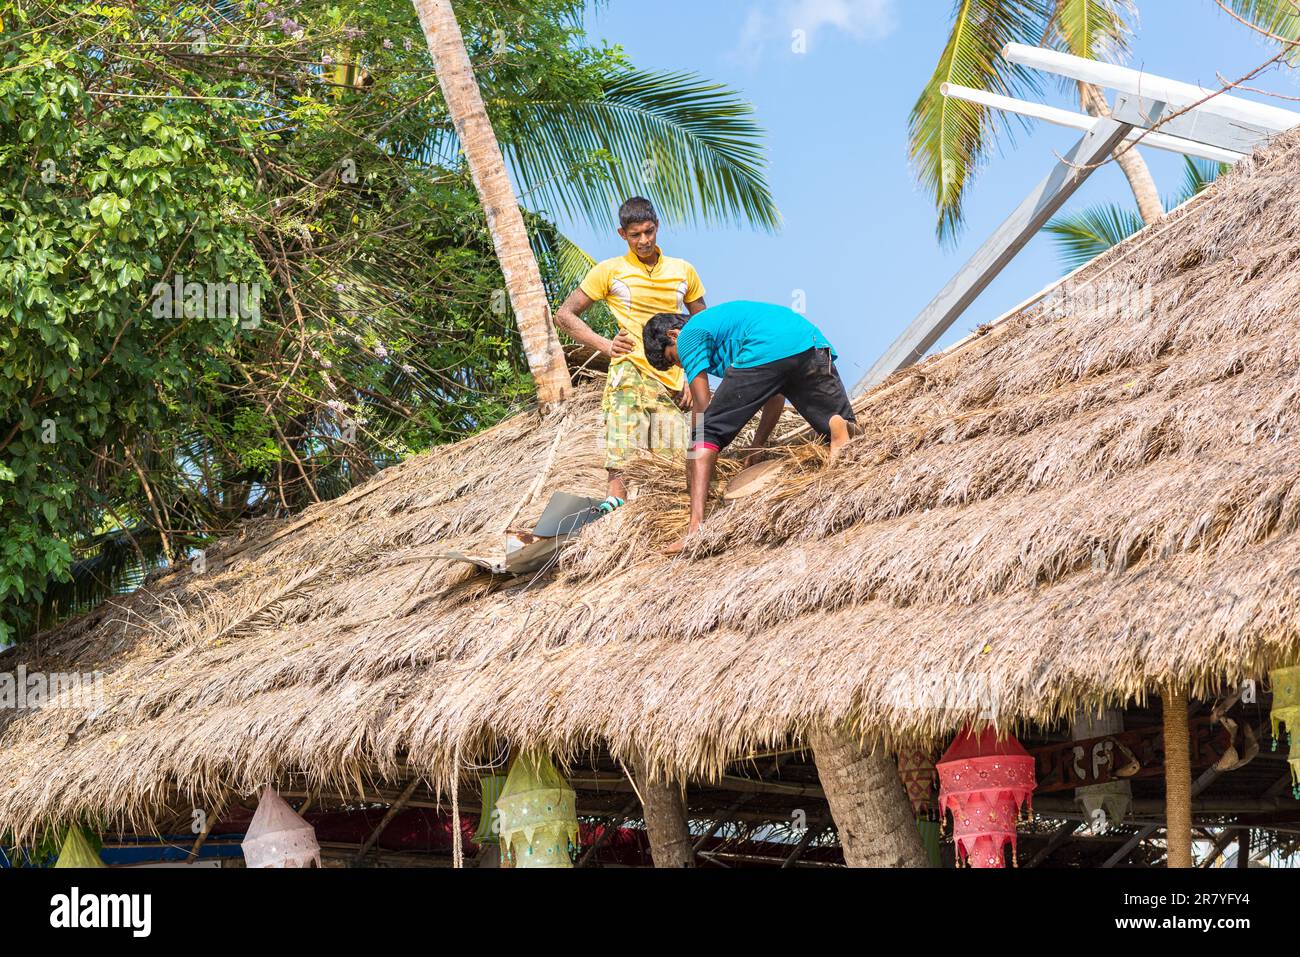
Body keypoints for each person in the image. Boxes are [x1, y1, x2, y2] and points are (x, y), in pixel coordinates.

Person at [642, 301, 856, 554]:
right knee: (846, 428)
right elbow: (774, 394)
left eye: (673, 359)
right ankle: (834, 424)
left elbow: (702, 401)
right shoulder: (726, 332)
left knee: (705, 434)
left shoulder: (689, 333)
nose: (681, 366)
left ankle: (695, 529)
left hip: (766, 347)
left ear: (672, 335)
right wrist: (758, 445)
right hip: (809, 344)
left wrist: (693, 450)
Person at [555, 197, 707, 500]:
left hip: (672, 382)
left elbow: (702, 326)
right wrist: (605, 345)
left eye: (649, 232)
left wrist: (693, 373)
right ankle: (616, 505)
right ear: (622, 234)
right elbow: (564, 314)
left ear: (657, 227)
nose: (644, 240)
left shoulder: (683, 271)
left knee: (676, 460)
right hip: (630, 370)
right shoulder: (609, 271)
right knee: (622, 446)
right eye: (635, 234)